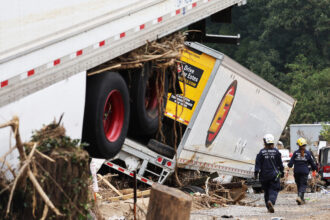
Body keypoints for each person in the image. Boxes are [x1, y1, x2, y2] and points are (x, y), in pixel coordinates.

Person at [255, 134, 284, 213]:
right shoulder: (276, 152)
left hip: (264, 176)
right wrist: (282, 171)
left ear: (265, 142)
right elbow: (280, 164)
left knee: (266, 191)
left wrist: (255, 174)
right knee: (274, 189)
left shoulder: (261, 152)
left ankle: (268, 207)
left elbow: (257, 165)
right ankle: (271, 201)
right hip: (274, 175)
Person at [288, 137, 317, 205]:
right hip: (304, 172)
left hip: (296, 172)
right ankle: (299, 197)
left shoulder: (295, 153)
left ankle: (301, 199)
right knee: (303, 185)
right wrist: (314, 169)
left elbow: (290, 164)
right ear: (305, 145)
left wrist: (289, 166)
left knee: (299, 185)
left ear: (298, 145)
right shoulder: (308, 153)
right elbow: (312, 163)